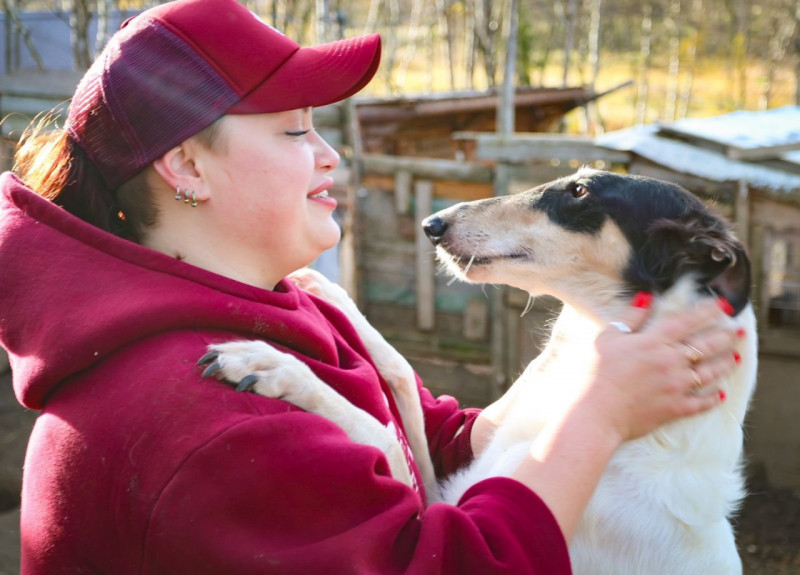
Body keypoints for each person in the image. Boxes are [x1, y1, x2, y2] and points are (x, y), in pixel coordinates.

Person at [0, 0, 739, 572]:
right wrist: (599, 415)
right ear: (187, 166)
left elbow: (434, 450)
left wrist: (585, 367)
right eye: (295, 133)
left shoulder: (293, 308)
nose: (331, 158)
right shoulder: (205, 417)